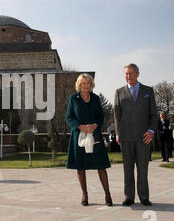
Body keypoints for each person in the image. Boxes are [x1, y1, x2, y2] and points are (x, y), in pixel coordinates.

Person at [114, 63, 157, 206]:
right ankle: (129, 197)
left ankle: (144, 196)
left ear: (138, 74)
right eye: (126, 74)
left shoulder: (148, 91)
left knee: (143, 168)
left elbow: (154, 114)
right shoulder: (119, 92)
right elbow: (117, 115)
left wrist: (151, 131)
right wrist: (118, 134)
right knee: (127, 169)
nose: (128, 76)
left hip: (143, 137)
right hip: (125, 137)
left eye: (131, 73)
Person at [66, 73, 112, 207]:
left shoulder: (96, 98)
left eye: (88, 83)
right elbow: (69, 118)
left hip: (95, 136)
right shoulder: (73, 98)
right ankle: (85, 195)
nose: (86, 86)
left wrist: (95, 125)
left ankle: (108, 195)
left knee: (101, 166)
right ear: (79, 85)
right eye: (83, 83)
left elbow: (101, 116)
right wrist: (79, 126)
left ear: (91, 85)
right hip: (79, 136)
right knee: (80, 167)